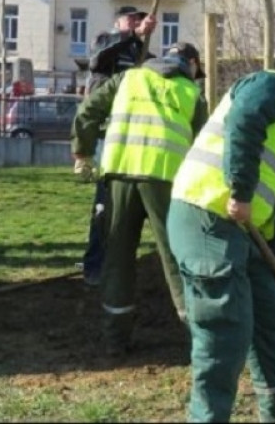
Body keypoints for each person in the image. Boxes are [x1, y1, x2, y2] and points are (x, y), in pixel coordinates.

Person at [167, 51, 275, 423]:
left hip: (241, 225)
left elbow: (271, 211)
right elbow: (244, 122)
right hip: (205, 215)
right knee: (225, 326)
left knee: (270, 310)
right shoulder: (273, 85)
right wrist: (241, 191)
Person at [71, 42, 208, 357]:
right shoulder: (192, 94)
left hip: (119, 174)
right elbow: (204, 144)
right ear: (191, 63)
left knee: (117, 257)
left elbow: (88, 109)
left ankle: (115, 339)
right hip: (166, 180)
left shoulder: (127, 79)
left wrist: (82, 150)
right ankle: (199, 341)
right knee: (177, 257)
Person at [76, 5, 158, 286]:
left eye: (139, 18)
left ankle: (118, 261)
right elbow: (99, 59)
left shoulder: (139, 52)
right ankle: (95, 266)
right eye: (130, 18)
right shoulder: (105, 40)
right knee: (105, 200)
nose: (136, 21)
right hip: (105, 132)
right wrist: (133, 34)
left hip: (132, 134)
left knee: (128, 199)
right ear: (118, 21)